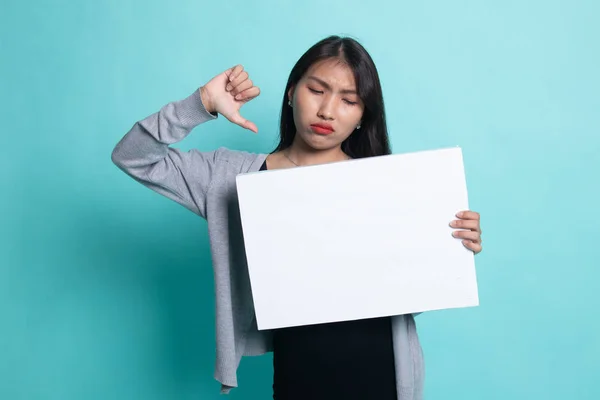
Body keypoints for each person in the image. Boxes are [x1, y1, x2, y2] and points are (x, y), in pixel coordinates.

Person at [111, 35, 483, 400]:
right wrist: (203, 102)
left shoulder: (386, 185)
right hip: (298, 379)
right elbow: (133, 156)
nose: (327, 111)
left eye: (349, 100)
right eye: (317, 90)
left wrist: (452, 245)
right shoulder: (233, 178)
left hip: (383, 375)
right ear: (291, 92)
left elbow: (408, 293)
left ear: (362, 115)